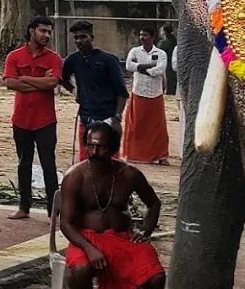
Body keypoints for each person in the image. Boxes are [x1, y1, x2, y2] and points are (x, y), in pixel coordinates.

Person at [59, 122, 165, 289]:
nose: (94, 152)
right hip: (85, 238)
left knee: (156, 276)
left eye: (100, 147)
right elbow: (65, 223)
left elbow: (154, 203)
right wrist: (89, 248)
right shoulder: (75, 176)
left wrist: (145, 231)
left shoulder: (129, 174)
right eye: (90, 146)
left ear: (112, 148)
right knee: (81, 269)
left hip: (123, 238)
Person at [3, 15, 61, 219]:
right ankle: (24, 206)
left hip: (45, 120)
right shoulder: (15, 56)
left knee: (49, 166)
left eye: (49, 32)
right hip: (21, 120)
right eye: (42, 31)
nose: (46, 35)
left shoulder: (54, 58)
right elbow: (10, 83)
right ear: (31, 31)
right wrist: (39, 82)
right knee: (24, 163)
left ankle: (53, 210)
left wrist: (25, 78)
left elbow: (52, 83)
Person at [62, 21, 128, 161]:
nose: (79, 41)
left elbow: (122, 92)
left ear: (92, 37)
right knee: (85, 162)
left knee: (109, 162)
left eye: (83, 37)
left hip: (107, 118)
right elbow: (62, 77)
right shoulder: (73, 60)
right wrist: (74, 90)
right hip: (86, 117)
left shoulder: (108, 60)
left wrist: (117, 117)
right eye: (76, 38)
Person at [121, 28, 169, 165]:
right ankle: (133, 154)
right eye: (141, 34)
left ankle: (160, 156)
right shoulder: (135, 51)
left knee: (157, 126)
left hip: (155, 93)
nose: (142, 37)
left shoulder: (161, 53)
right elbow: (129, 66)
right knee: (135, 125)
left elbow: (159, 70)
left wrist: (140, 68)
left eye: (145, 35)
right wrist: (147, 66)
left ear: (152, 37)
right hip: (139, 92)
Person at [156, 23, 177, 97]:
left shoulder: (164, 42)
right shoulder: (174, 39)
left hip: (167, 60)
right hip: (172, 60)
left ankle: (169, 91)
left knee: (168, 76)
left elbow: (158, 50)